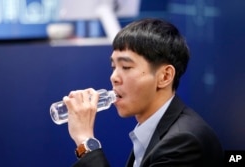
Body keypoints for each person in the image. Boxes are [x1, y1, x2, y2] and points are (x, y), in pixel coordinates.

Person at [63, 18, 224, 167]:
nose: (114, 78)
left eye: (126, 67)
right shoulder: (155, 131)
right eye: (114, 67)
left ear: (165, 76)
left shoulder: (184, 142)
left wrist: (85, 140)